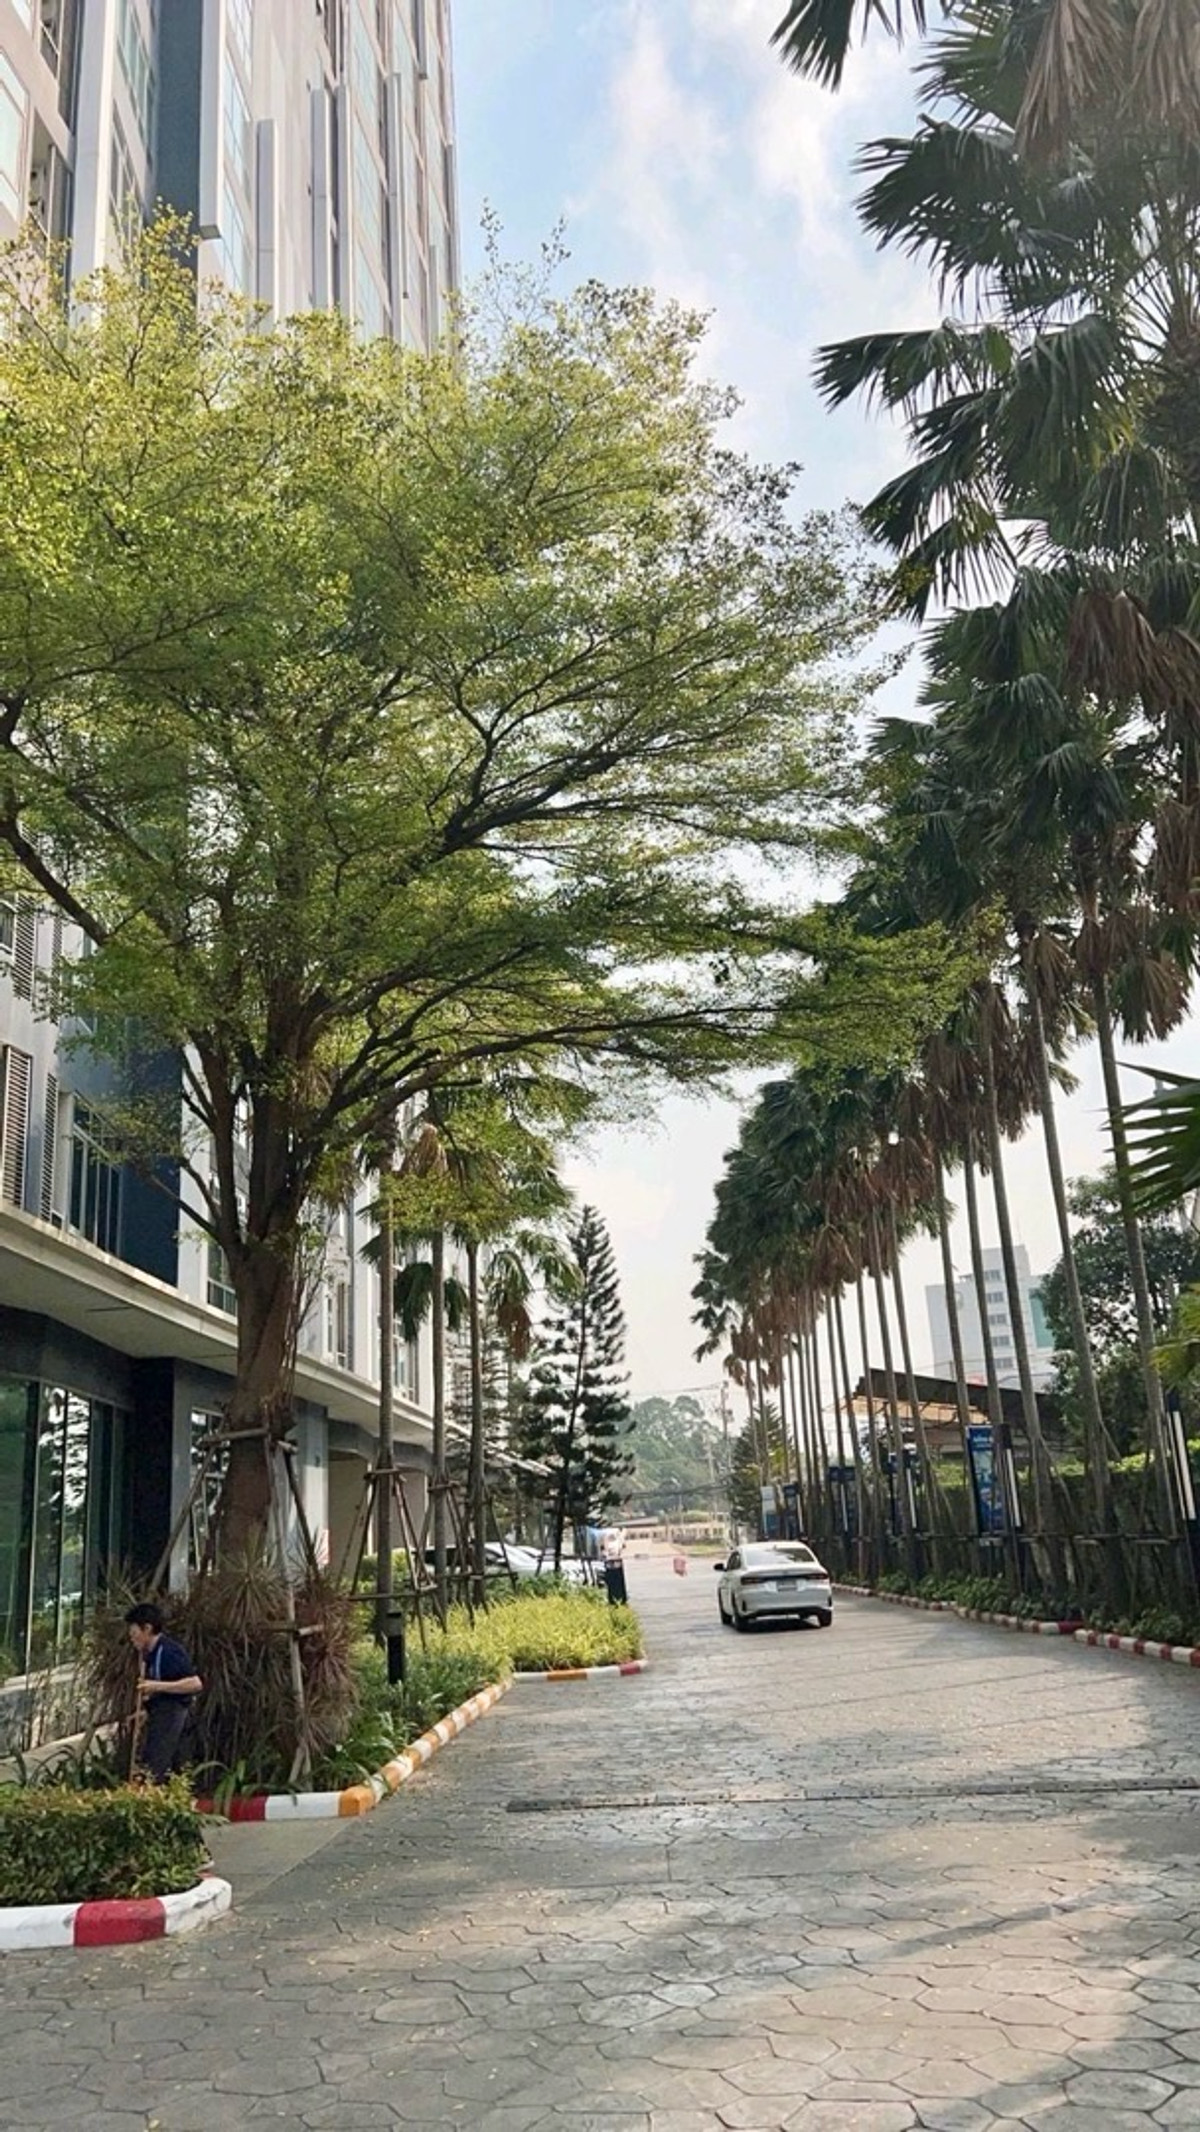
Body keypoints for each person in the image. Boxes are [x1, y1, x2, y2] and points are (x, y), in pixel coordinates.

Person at [125, 1602, 203, 1782]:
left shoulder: (169, 1651)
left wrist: (156, 1686)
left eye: (134, 1632)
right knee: (154, 1763)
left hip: (175, 1714)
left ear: (147, 1629)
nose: (131, 1637)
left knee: (158, 1766)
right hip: (162, 1715)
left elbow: (195, 1683)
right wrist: (146, 1711)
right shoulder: (150, 1655)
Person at [600, 1525, 627, 1606]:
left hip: (611, 1564)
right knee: (617, 1588)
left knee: (613, 1588)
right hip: (614, 1564)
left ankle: (614, 1599)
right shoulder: (616, 1536)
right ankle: (618, 1599)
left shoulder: (608, 1535)